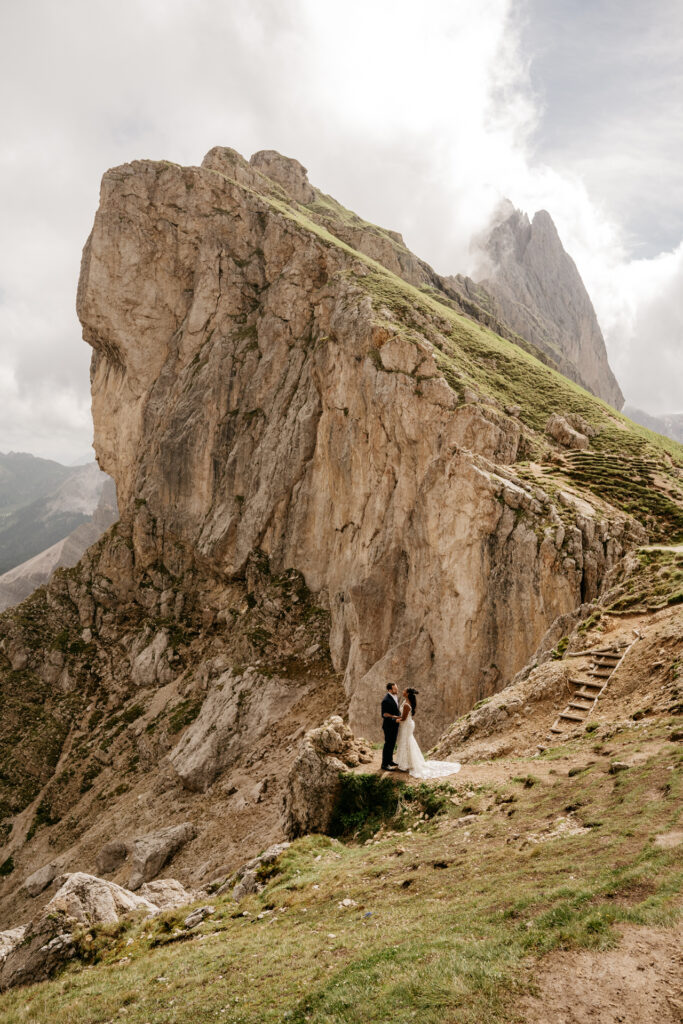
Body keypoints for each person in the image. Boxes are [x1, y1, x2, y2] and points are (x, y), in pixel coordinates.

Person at [395, 688, 461, 779]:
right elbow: (403, 716)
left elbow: (404, 718)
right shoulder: (406, 701)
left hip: (406, 725)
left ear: (408, 694)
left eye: (404, 691)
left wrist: (396, 720)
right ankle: (407, 762)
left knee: (406, 741)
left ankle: (406, 764)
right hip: (407, 724)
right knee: (407, 741)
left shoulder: (406, 705)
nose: (403, 692)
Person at [380, 682, 401, 770]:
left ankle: (390, 761)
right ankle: (384, 764)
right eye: (395, 689)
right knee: (388, 744)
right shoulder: (386, 700)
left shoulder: (395, 697)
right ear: (389, 690)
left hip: (395, 725)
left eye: (396, 688)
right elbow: (384, 714)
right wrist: (395, 719)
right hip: (389, 726)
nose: (397, 690)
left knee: (392, 744)